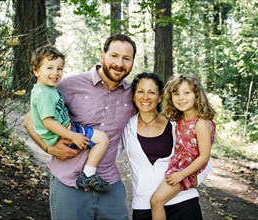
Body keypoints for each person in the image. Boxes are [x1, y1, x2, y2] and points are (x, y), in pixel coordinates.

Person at [23, 33, 137, 219]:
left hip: (108, 182)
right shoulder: (70, 84)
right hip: (68, 181)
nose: (120, 63)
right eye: (114, 56)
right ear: (102, 56)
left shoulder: (132, 95)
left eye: (127, 58)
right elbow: (30, 120)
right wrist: (48, 148)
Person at [118, 72, 212, 220]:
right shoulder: (125, 126)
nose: (145, 97)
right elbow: (110, 154)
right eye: (140, 91)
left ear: (160, 96)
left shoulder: (176, 122)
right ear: (134, 96)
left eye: (152, 92)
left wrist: (196, 178)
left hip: (183, 200)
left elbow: (203, 155)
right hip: (144, 204)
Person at [30, 45, 111, 192]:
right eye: (49, 68)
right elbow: (48, 122)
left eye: (59, 68)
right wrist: (73, 136)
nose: (55, 73)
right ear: (36, 71)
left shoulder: (46, 89)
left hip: (66, 130)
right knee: (103, 139)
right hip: (67, 134)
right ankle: (88, 175)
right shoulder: (43, 95)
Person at [150, 74, 216, 220]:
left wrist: (182, 174)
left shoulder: (201, 123)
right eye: (176, 93)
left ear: (197, 95)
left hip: (188, 168)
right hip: (177, 163)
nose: (181, 98)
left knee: (156, 201)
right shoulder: (181, 118)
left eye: (187, 93)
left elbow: (204, 156)